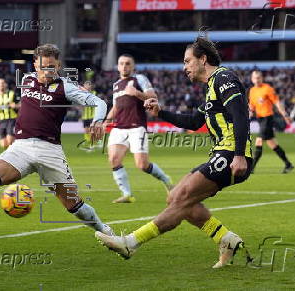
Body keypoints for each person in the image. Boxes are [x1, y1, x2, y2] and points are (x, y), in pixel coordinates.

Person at [96, 37, 253, 268]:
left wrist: (239, 154)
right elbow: (193, 121)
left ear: (203, 59)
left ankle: (130, 242)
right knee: (175, 197)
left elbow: (240, 114)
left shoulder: (223, 78)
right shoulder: (211, 87)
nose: (184, 67)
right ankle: (226, 239)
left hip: (231, 155)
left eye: (188, 61)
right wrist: (160, 112)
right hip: (221, 153)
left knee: (180, 198)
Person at [0, 44, 114, 236]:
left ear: (58, 65)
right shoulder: (27, 80)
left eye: (52, 66)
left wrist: (98, 121)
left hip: (49, 150)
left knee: (73, 204)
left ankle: (105, 231)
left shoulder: (65, 87)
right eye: (44, 66)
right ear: (35, 65)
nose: (48, 71)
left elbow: (99, 102)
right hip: (21, 146)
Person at [104, 54, 173, 203]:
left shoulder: (139, 79)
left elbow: (153, 98)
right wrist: (105, 122)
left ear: (133, 66)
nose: (124, 66)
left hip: (137, 127)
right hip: (119, 127)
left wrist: (136, 93)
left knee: (142, 164)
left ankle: (166, 180)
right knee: (114, 159)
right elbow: (116, 106)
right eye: (121, 63)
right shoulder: (116, 84)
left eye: (127, 63)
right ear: (117, 66)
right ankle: (127, 194)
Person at [249, 71, 294, 174]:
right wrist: (249, 114)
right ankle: (288, 164)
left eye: (259, 77)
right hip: (260, 119)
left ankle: (251, 168)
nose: (257, 79)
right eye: (255, 78)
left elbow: (277, 103)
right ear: (252, 79)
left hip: (268, 118)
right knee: (272, 143)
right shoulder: (252, 91)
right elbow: (252, 106)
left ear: (262, 78)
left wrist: (285, 115)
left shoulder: (268, 89)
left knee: (259, 141)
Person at [0, 78, 19, 149]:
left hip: (11, 119)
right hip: (0, 121)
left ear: (6, 84)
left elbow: (21, 104)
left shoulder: (12, 93)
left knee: (10, 141)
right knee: (3, 145)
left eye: (3, 83)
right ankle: (18, 146)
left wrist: (15, 106)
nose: (1, 85)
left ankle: (14, 156)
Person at [79, 82, 99, 151]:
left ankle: (92, 144)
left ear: (91, 86)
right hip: (85, 116)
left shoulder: (94, 93)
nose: (87, 86)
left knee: (92, 130)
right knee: (86, 131)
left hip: (92, 115)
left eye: (89, 85)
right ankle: (90, 142)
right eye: (86, 85)